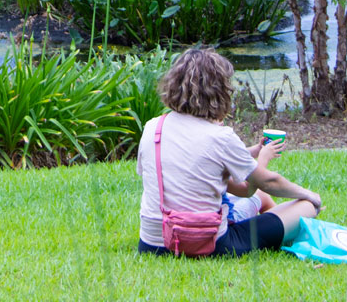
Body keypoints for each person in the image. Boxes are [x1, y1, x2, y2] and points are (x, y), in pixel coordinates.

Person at [137, 48, 323, 257]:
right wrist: (309, 195)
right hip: (208, 244)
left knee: (250, 200)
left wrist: (251, 153)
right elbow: (266, 183)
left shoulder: (153, 127)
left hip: (152, 244)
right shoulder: (220, 136)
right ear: (219, 91)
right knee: (307, 207)